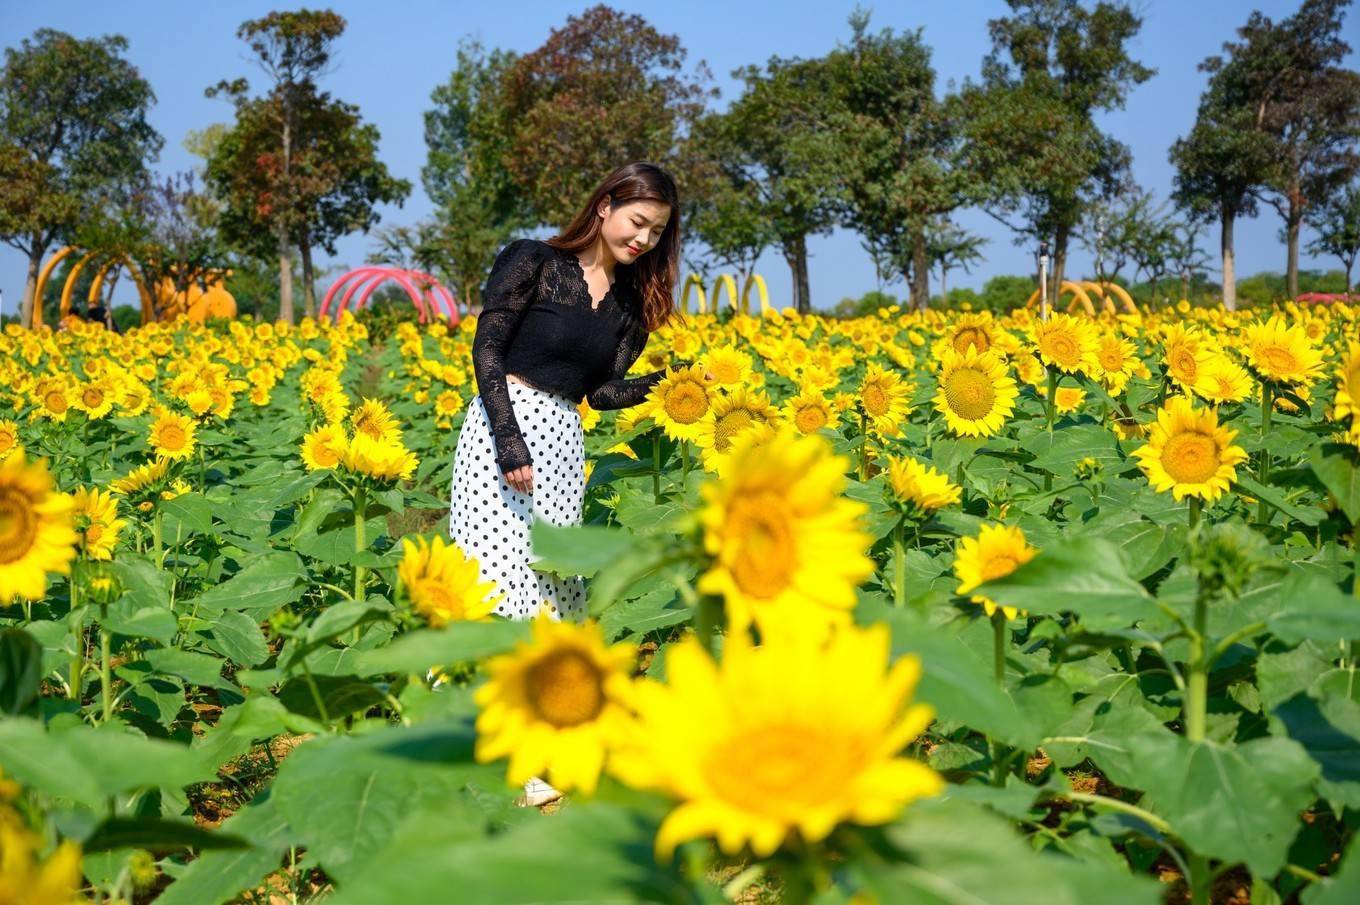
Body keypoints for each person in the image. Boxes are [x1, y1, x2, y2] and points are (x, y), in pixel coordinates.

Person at [448, 161, 698, 807]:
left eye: (657, 232)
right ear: (606, 204)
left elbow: (600, 392)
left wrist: (665, 387)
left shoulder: (630, 305)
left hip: (563, 439)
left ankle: (549, 742)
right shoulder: (531, 259)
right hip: (501, 426)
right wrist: (507, 437)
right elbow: (488, 349)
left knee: (555, 586)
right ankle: (490, 745)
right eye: (638, 222)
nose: (643, 239)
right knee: (493, 579)